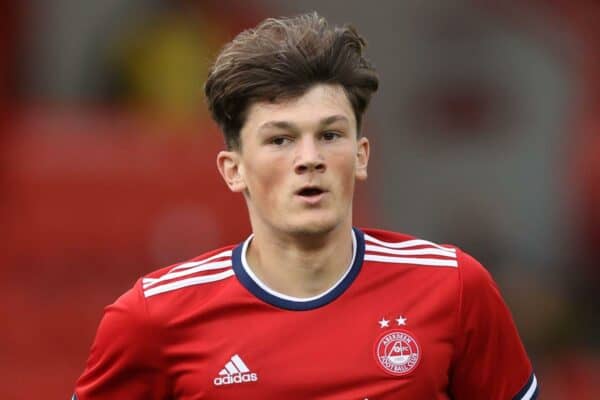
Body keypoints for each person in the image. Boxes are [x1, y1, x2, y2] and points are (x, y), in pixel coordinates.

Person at [72, 12, 538, 399]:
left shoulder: (453, 288)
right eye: (280, 139)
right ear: (232, 169)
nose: (309, 159)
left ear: (360, 156)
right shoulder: (154, 317)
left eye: (330, 135)